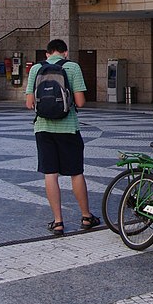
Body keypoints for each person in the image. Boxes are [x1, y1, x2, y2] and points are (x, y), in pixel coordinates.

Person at [26, 39, 100, 236]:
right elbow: (80, 102)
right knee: (76, 172)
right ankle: (86, 216)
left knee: (50, 173)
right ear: (65, 53)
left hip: (43, 128)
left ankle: (58, 221)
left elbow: (29, 103)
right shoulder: (72, 67)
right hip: (68, 129)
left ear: (47, 54)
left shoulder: (36, 69)